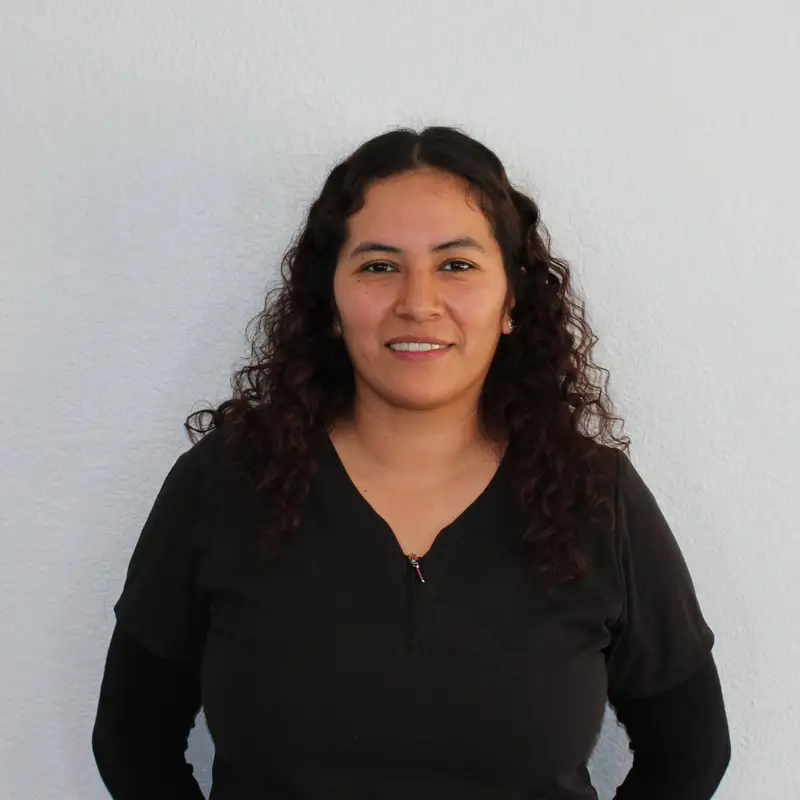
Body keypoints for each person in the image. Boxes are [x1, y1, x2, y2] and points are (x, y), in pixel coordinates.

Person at [91, 125, 731, 799]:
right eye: (378, 265)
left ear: (512, 300)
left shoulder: (596, 499)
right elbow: (132, 741)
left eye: (456, 265)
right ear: (330, 305)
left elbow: (690, 753)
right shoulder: (225, 485)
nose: (418, 302)